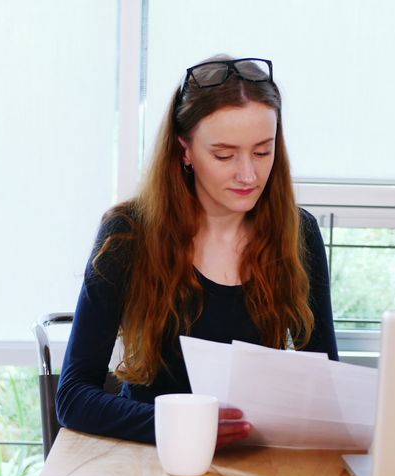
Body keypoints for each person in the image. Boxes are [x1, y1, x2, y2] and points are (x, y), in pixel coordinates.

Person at [56, 56, 338, 446]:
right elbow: (73, 397)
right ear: (184, 150)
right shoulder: (128, 234)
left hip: (253, 465)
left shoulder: (298, 232)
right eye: (224, 155)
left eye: (262, 151)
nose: (248, 175)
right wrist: (183, 425)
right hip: (151, 462)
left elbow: (324, 387)